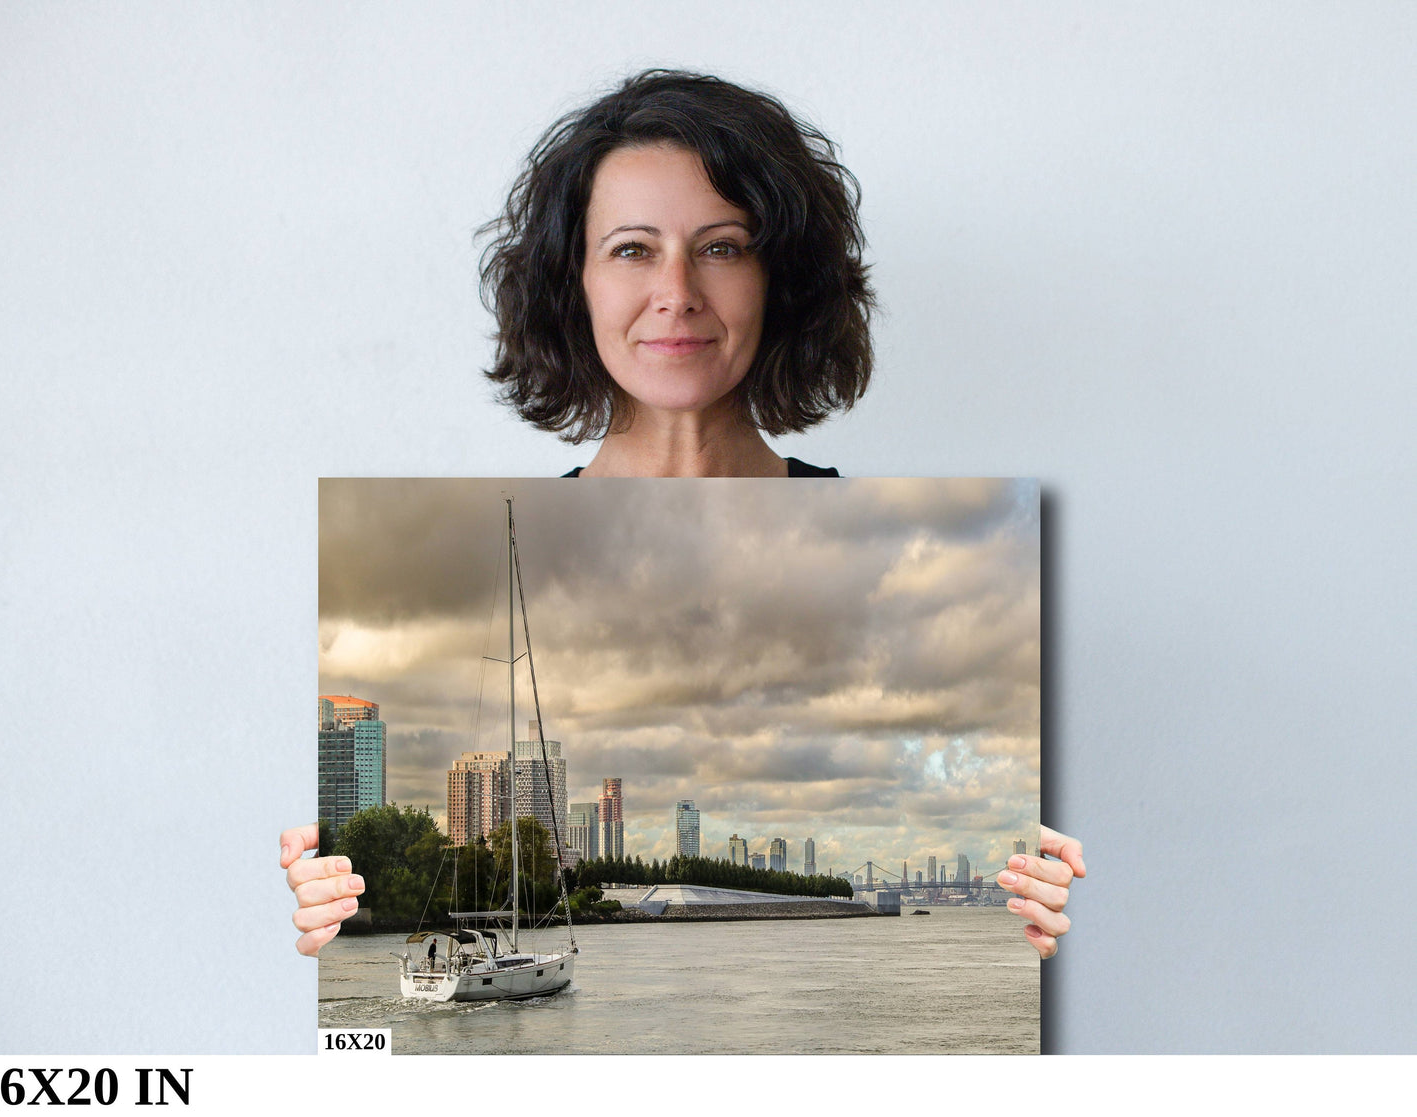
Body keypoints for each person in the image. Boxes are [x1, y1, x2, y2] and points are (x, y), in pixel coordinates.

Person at [283, 69, 1085, 959]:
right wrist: (323, 908)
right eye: (632, 249)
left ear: (780, 280)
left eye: (722, 246)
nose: (677, 292)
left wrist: (1048, 917)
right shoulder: (488, 543)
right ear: (572, 282)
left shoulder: (947, 560)